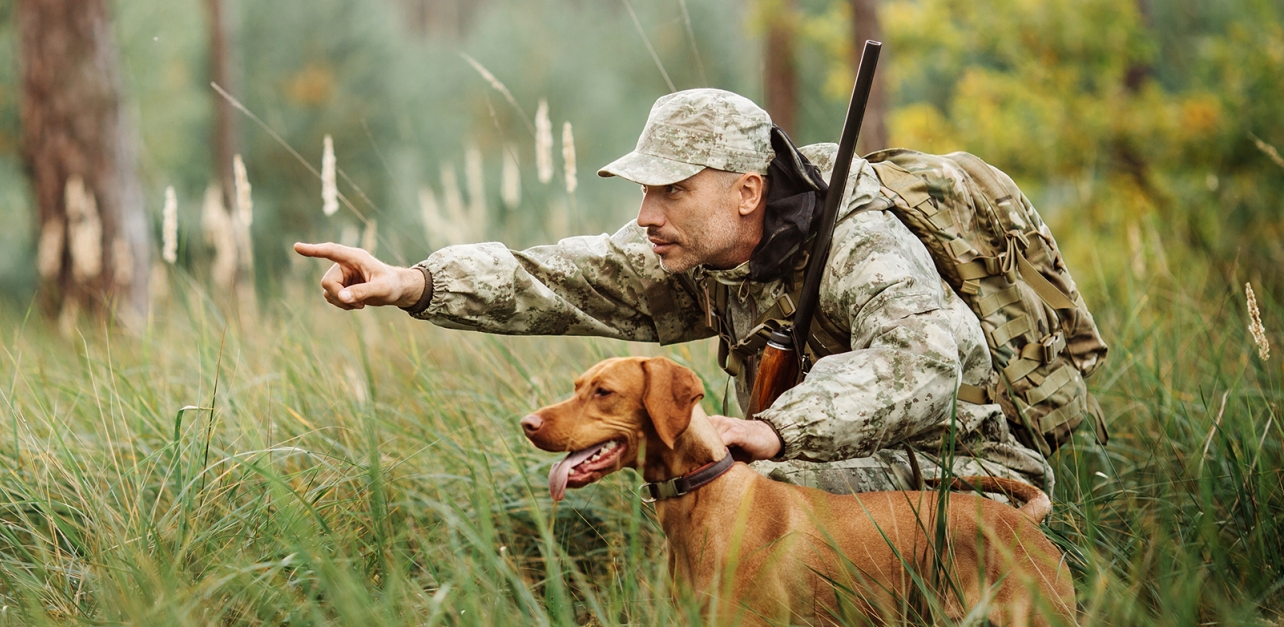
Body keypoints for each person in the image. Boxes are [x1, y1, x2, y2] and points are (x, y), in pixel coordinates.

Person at [294, 88, 1053, 495]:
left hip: (964, 462)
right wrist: (414, 281)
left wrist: (776, 429)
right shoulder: (696, 247)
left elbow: (926, 362)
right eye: (645, 190)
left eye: (674, 191)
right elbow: (558, 278)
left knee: (753, 483)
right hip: (827, 460)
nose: (647, 216)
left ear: (748, 191)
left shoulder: (858, 241)